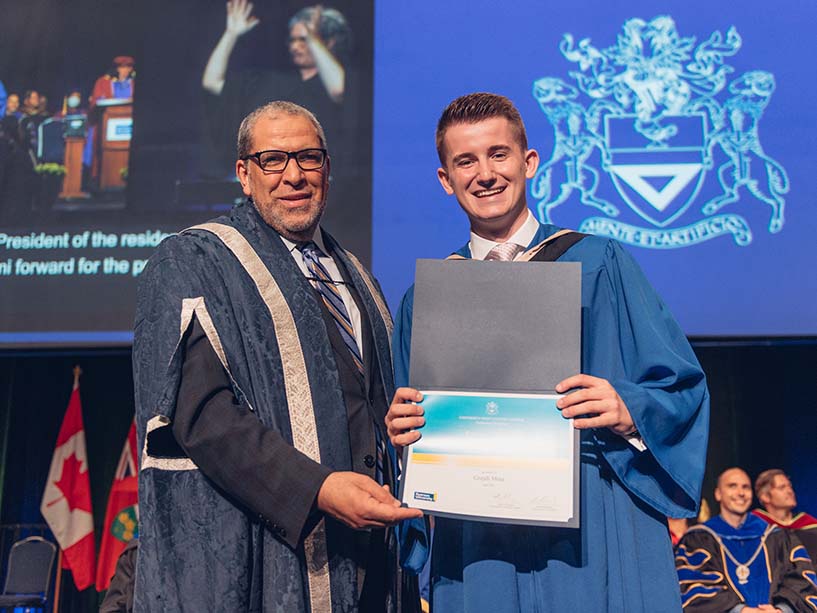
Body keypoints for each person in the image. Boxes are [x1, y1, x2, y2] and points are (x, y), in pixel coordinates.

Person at [385, 92, 711, 611]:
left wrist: (629, 409)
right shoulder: (425, 301)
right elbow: (409, 446)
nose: (485, 173)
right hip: (479, 539)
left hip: (593, 520)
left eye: (499, 154)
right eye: (465, 161)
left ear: (528, 162)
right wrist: (402, 438)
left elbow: (682, 390)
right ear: (446, 180)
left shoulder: (600, 263)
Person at [133, 100, 422, 612]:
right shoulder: (194, 261)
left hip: (372, 556)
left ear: (327, 170)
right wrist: (318, 490)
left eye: (308, 158)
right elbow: (203, 415)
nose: (294, 175)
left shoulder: (356, 276)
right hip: (272, 553)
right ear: (244, 174)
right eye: (273, 160)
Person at [200, 1, 352, 176]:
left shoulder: (339, 82)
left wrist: (313, 38)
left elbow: (340, 90)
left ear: (330, 42)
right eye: (292, 40)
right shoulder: (272, 81)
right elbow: (212, 82)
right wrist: (231, 34)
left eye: (303, 40)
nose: (295, 46)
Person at [676, 468, 817, 612]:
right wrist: (740, 610)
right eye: (732, 486)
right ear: (718, 494)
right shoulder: (699, 539)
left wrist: (782, 610)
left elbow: (801, 581)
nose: (741, 493)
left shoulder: (777, 537)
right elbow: (693, 587)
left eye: (746, 487)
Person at [753, 469, 817, 565]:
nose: (790, 491)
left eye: (789, 486)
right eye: (782, 487)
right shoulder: (755, 527)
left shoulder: (810, 526)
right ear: (765, 497)